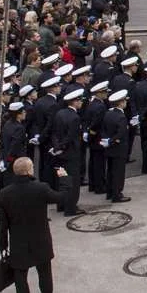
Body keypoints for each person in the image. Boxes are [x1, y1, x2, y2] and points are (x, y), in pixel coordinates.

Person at [0, 157, 66, 293]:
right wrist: (64, 179)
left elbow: (2, 224)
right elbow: (61, 197)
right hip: (40, 238)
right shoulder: (40, 188)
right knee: (44, 271)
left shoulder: (4, 194)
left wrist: (2, 245)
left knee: (20, 275)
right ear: (28, 170)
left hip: (18, 241)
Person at [50, 88, 86, 216]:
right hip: (71, 154)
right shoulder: (75, 117)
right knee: (73, 181)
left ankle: (61, 204)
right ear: (74, 102)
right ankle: (70, 208)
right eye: (79, 100)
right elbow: (70, 137)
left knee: (62, 179)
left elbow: (54, 133)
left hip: (60, 154)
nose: (81, 102)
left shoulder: (59, 113)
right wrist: (61, 147)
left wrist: (56, 147)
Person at [102, 89, 131, 202]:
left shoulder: (108, 114)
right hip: (119, 148)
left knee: (110, 171)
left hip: (110, 148)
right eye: (124, 101)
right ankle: (117, 194)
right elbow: (121, 133)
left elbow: (103, 129)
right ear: (121, 103)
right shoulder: (121, 117)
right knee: (118, 172)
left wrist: (107, 140)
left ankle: (110, 192)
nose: (126, 103)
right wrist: (113, 140)